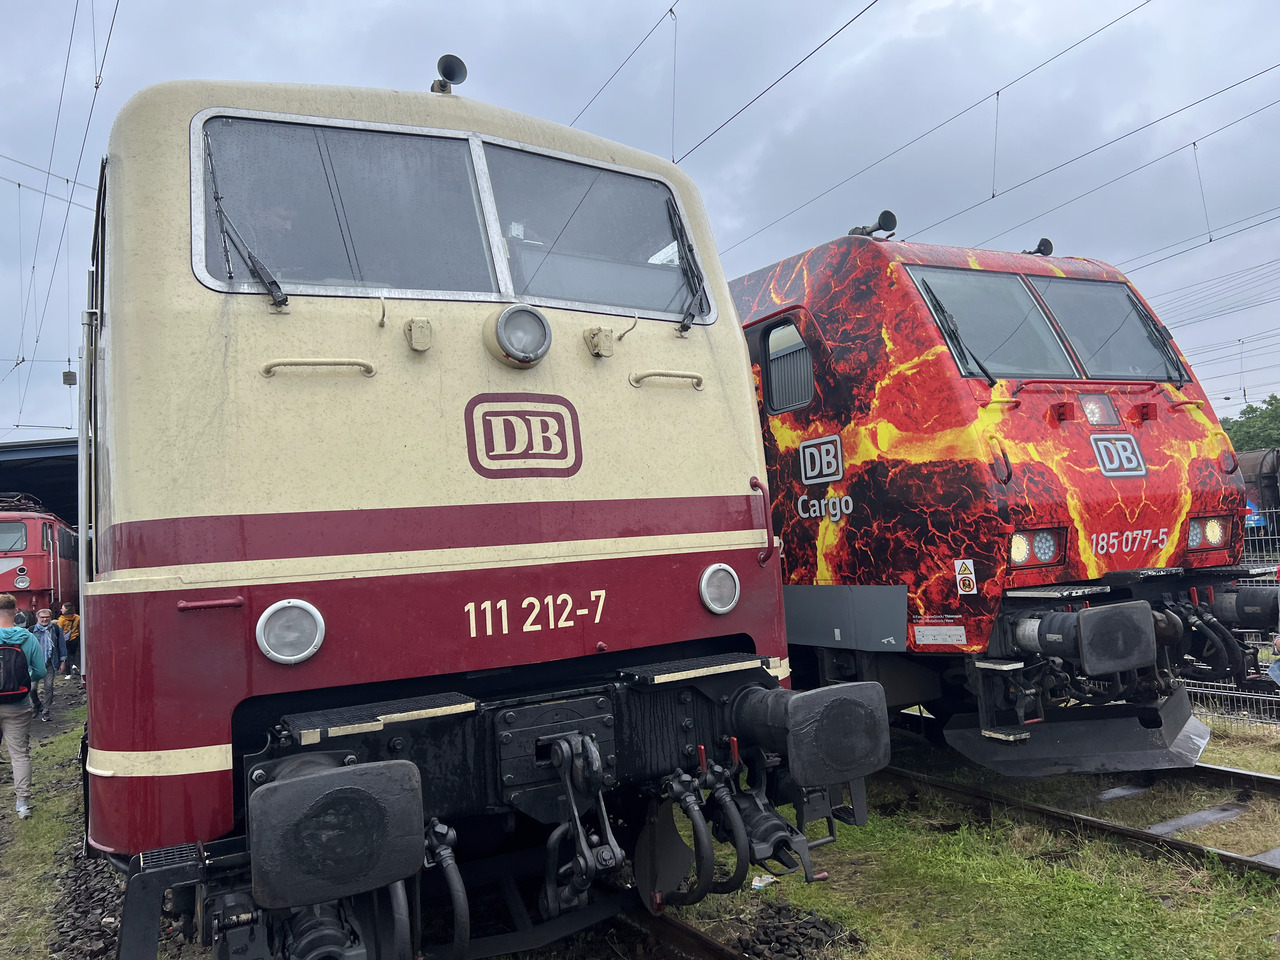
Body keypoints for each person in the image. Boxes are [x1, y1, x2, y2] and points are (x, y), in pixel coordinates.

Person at [0, 593, 46, 818]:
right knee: (19, 755)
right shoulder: (27, 638)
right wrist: (25, 680)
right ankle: (23, 804)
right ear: (16, 611)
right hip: (18, 703)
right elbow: (41, 671)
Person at [27, 609, 65, 723]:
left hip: (50, 663)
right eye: (42, 617)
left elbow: (61, 646)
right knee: (32, 688)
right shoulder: (31, 631)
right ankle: (37, 704)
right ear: (37, 618)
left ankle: (46, 711)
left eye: (47, 617)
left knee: (49, 687)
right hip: (34, 664)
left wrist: (63, 661)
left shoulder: (56, 629)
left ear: (50, 617)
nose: (45, 619)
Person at [58, 602, 80, 678]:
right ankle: (74, 665)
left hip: (65, 640)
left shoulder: (61, 619)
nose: (61, 610)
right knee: (73, 654)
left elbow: (59, 630)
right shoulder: (77, 617)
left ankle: (68, 673)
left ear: (66, 610)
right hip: (74, 638)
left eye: (62, 608)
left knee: (66, 656)